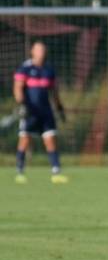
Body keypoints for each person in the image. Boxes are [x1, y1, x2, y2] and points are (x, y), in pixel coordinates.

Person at [13, 41, 68, 184]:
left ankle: (56, 172)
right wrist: (22, 105)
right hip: (30, 112)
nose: (41, 53)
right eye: (38, 50)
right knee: (25, 140)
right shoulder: (25, 68)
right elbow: (18, 88)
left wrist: (60, 108)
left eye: (43, 50)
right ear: (32, 52)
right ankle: (20, 171)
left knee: (50, 140)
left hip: (46, 112)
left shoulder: (49, 70)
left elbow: (54, 93)